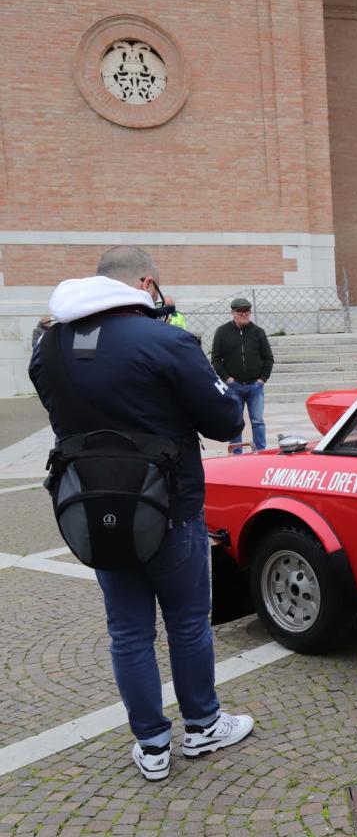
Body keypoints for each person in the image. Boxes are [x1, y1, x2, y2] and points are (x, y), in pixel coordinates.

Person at [29, 274, 253, 782]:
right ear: (143, 285)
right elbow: (225, 421)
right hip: (170, 504)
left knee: (128, 632)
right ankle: (202, 725)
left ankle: (151, 745)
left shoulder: (49, 346)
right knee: (187, 622)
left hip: (92, 507)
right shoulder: (165, 339)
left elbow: (57, 410)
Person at [210, 298, 274, 451]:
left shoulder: (258, 332)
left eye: (247, 311)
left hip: (255, 385)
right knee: (235, 421)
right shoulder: (222, 332)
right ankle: (236, 453)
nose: (244, 314)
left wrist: (262, 379)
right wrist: (227, 379)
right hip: (234, 386)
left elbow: (268, 358)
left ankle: (261, 451)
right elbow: (216, 359)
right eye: (240, 312)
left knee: (258, 421)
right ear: (233, 313)